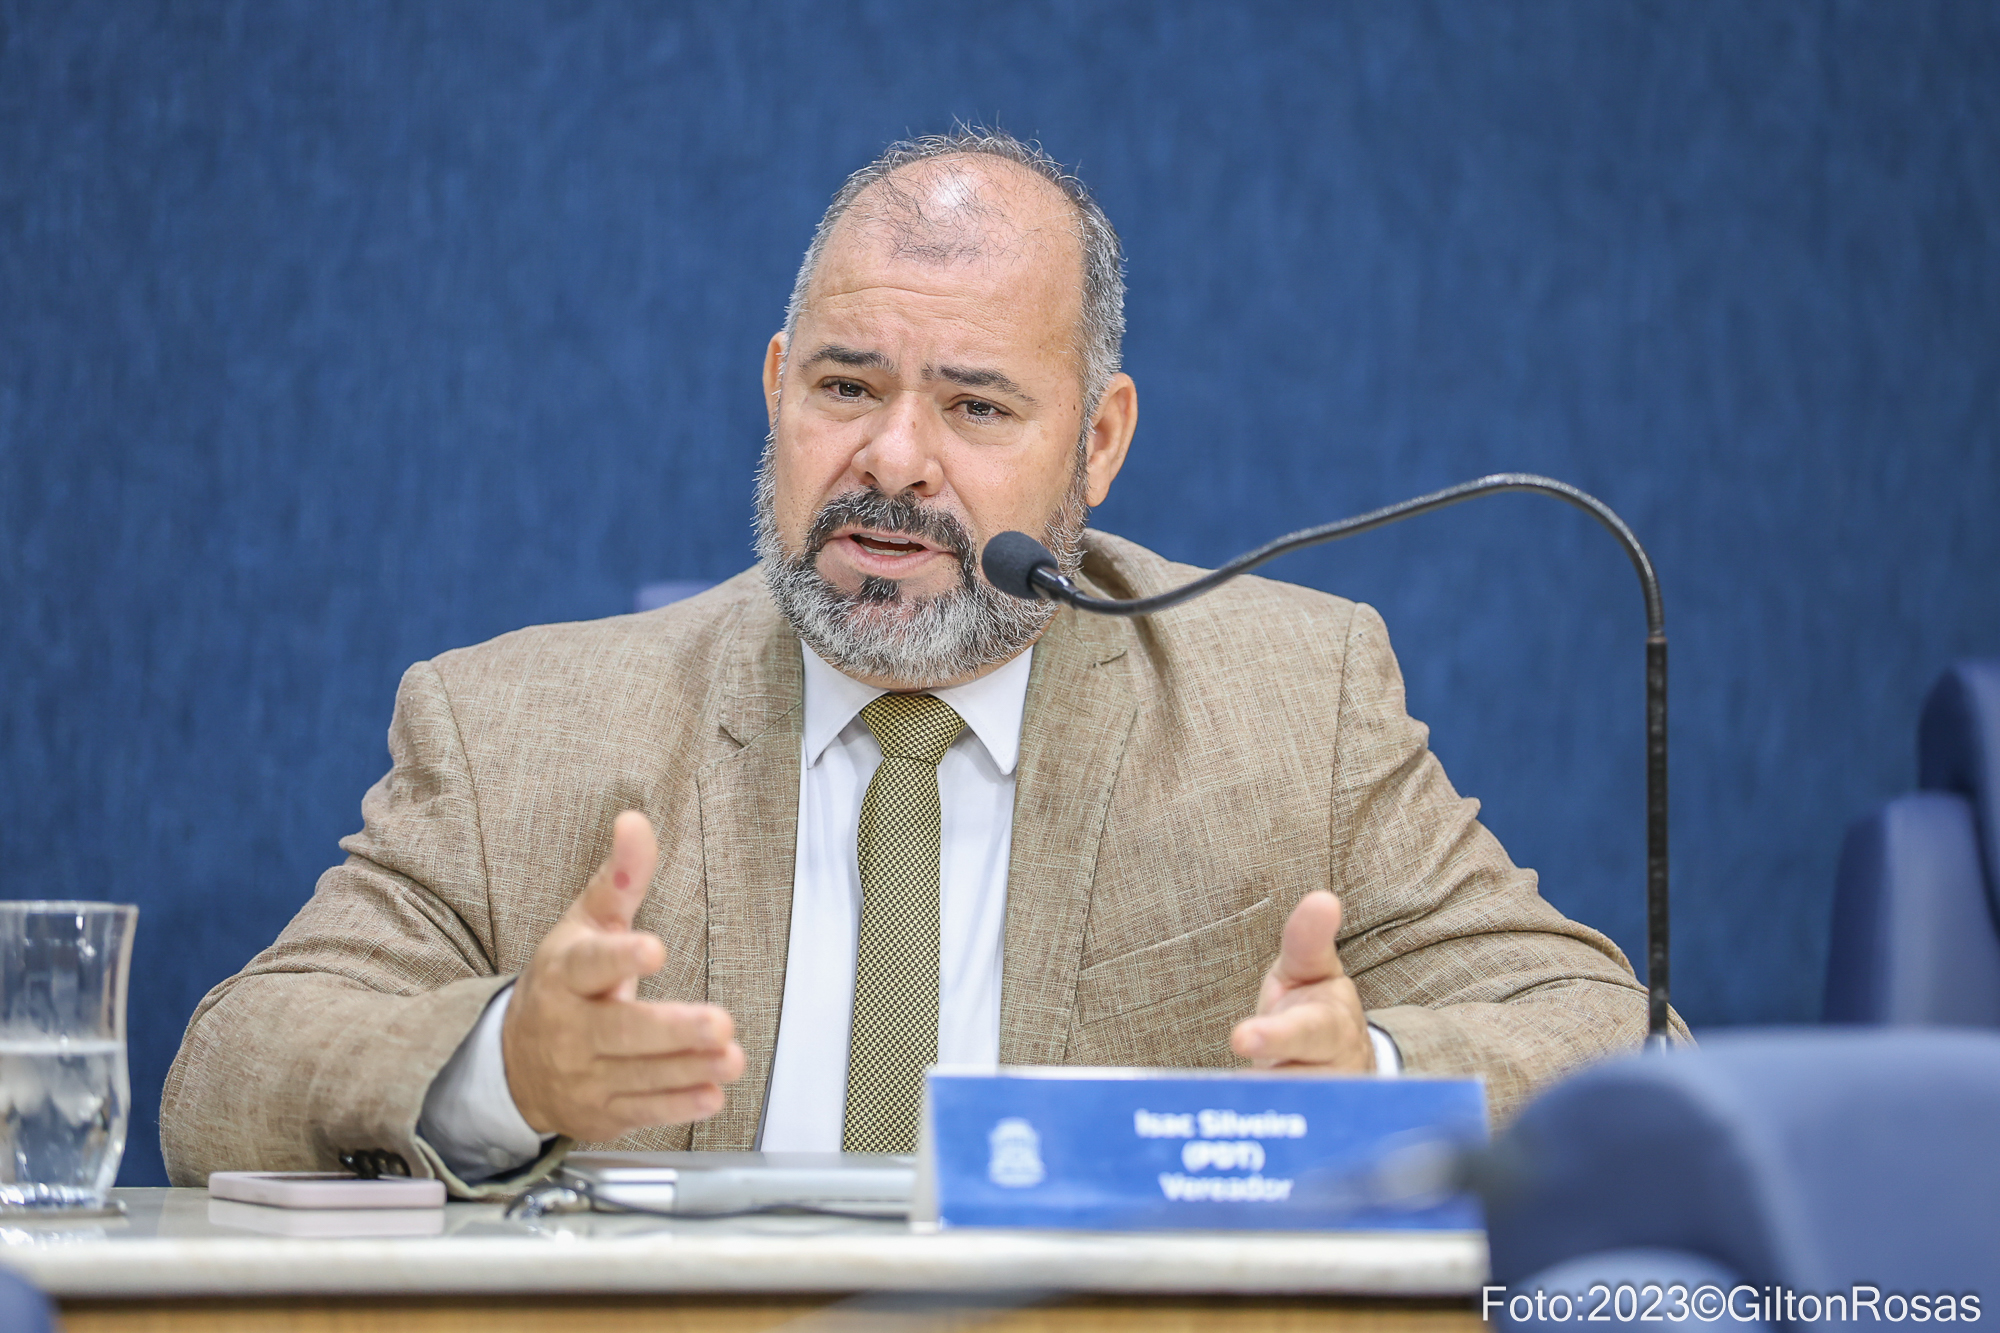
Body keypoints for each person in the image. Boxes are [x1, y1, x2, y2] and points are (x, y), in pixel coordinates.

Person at [162, 129, 1680, 1197]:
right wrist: (510, 1068)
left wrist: (1374, 1084)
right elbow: (226, 1076)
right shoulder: (518, 730)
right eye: (846, 386)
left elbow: (1628, 1042)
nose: (893, 459)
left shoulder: (1292, 705)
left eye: (975, 406)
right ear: (776, 390)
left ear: (1098, 442)